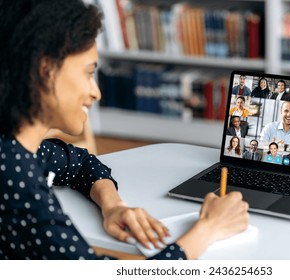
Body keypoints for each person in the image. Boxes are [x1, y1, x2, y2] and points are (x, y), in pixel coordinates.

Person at [0, 0, 249, 260]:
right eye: (87, 73)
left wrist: (113, 206)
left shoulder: (16, 148)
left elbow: (78, 162)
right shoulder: (15, 179)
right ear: (46, 71)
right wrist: (208, 228)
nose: (96, 92)